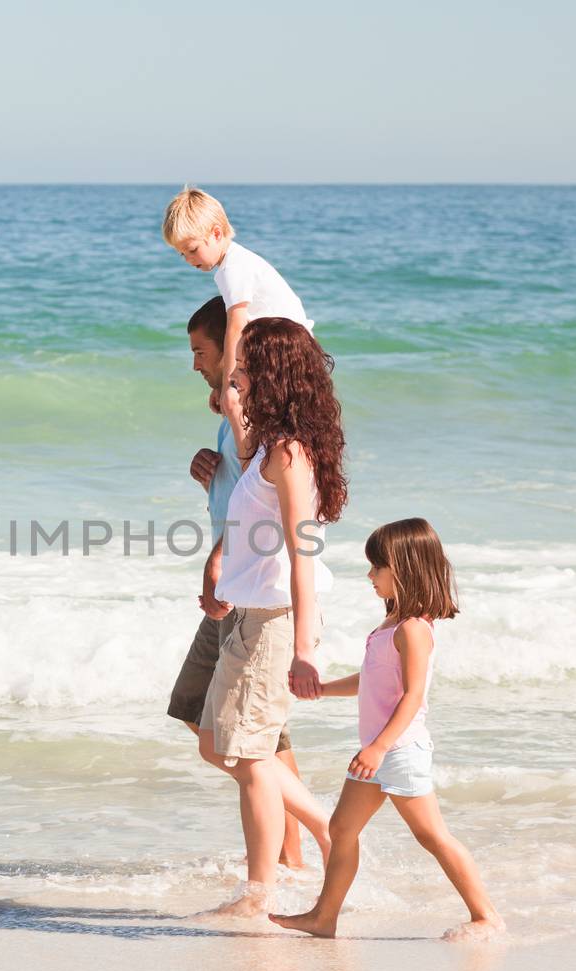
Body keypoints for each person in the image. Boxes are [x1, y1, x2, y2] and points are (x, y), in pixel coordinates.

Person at [269, 518, 505, 941]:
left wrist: (378, 747)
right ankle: (325, 918)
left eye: (377, 567)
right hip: (379, 751)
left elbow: (412, 696)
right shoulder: (391, 624)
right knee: (342, 829)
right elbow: (370, 680)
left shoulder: (413, 630)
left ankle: (486, 916)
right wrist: (321, 689)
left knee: (431, 835)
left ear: (405, 568)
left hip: (399, 750)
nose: (369, 575)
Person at [198, 317, 343, 916]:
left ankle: (259, 894)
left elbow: (304, 552)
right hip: (250, 614)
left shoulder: (289, 455)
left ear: (275, 375)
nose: (237, 376)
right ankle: (325, 829)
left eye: (246, 368)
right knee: (216, 743)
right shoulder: (263, 445)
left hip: (277, 620)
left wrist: (305, 644)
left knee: (251, 756)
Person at [168, 296, 312, 868]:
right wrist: (211, 467)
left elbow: (279, 528)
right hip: (235, 587)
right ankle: (296, 851)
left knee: (253, 738)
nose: (198, 366)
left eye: (202, 353)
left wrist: (220, 558)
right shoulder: (238, 433)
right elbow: (246, 495)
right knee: (215, 722)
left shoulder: (266, 433)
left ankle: (292, 858)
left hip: (250, 592)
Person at [162, 186, 312, 390]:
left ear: (216, 233)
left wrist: (227, 386)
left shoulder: (233, 268)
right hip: (288, 349)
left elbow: (236, 326)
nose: (188, 260)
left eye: (192, 250)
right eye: (182, 254)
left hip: (291, 352)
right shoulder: (232, 263)